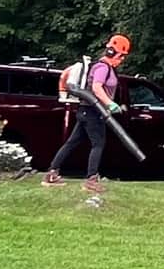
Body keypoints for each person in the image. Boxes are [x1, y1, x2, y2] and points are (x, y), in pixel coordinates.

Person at [44, 34, 130, 191]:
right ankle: (91, 180)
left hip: (86, 111)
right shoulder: (103, 68)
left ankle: (51, 174)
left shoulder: (103, 67)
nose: (122, 59)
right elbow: (97, 87)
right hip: (93, 111)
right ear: (112, 52)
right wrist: (110, 103)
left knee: (71, 143)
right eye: (121, 55)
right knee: (98, 144)